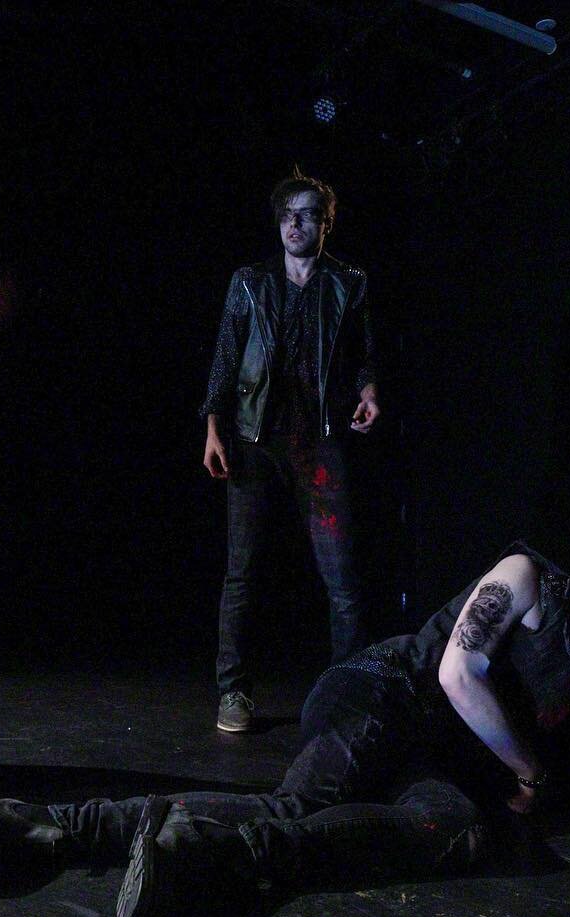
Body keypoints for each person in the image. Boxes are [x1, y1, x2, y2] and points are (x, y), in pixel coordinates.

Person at [0, 537, 570, 917]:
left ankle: (210, 854)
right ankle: (48, 833)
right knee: (300, 807)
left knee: (460, 830)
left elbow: (562, 760)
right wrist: (533, 771)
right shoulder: (527, 577)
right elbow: (458, 674)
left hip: (435, 765)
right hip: (386, 694)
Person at [200, 168, 382, 733]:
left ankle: (344, 695)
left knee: (342, 579)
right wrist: (212, 427)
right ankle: (233, 691)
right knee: (242, 574)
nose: (295, 224)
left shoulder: (348, 283)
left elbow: (364, 353)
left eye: (307, 215)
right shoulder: (250, 282)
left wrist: (369, 391)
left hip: (319, 444)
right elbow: (226, 356)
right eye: (287, 215)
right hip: (254, 442)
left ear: (326, 224)